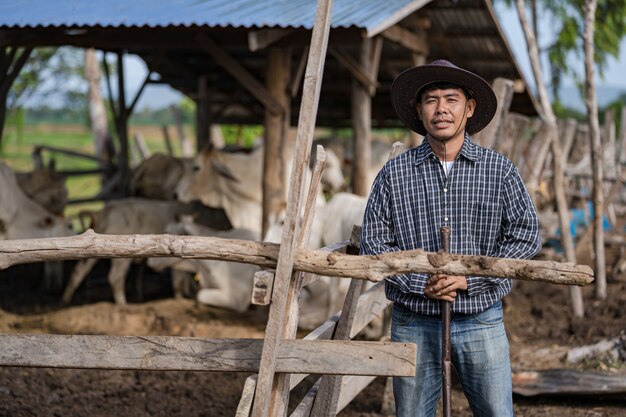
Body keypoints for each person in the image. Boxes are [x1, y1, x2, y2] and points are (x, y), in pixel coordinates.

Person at [360, 59, 541, 417]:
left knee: (496, 412)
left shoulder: (499, 170)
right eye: (431, 100)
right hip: (415, 319)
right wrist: (420, 282)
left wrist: (469, 278)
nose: (441, 108)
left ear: (469, 108)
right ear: (419, 109)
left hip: (480, 317)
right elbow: (375, 241)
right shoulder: (394, 173)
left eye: (451, 99)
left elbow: (526, 234)